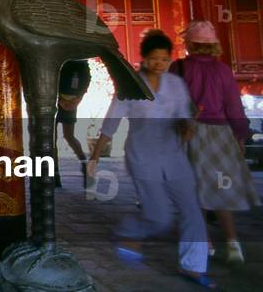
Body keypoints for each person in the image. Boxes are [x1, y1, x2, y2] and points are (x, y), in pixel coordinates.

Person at [88, 30, 212, 288]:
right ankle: (129, 231)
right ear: (144, 59)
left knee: (192, 211)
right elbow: (111, 123)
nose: (159, 64)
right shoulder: (131, 86)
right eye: (154, 59)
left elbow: (183, 115)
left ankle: (193, 266)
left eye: (165, 60)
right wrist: (95, 157)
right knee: (159, 216)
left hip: (174, 156)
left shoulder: (175, 85)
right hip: (143, 158)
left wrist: (187, 126)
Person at [170, 20, 259, 264]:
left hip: (190, 134)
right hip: (220, 136)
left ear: (189, 43)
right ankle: (232, 242)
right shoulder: (223, 71)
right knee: (220, 188)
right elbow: (234, 108)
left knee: (195, 190)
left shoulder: (178, 69)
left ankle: (205, 243)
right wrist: (241, 136)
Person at [54, 59, 91, 188]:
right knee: (63, 137)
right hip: (59, 99)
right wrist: (61, 99)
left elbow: (86, 80)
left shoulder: (80, 61)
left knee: (67, 136)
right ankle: (56, 173)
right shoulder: (75, 60)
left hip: (67, 100)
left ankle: (83, 164)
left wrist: (78, 99)